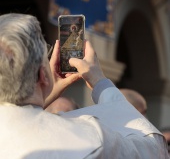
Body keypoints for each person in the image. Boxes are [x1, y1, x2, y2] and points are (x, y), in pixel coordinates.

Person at [0, 13, 169, 159]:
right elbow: (155, 149)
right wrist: (100, 82)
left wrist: (43, 95)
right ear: (43, 75)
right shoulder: (88, 137)